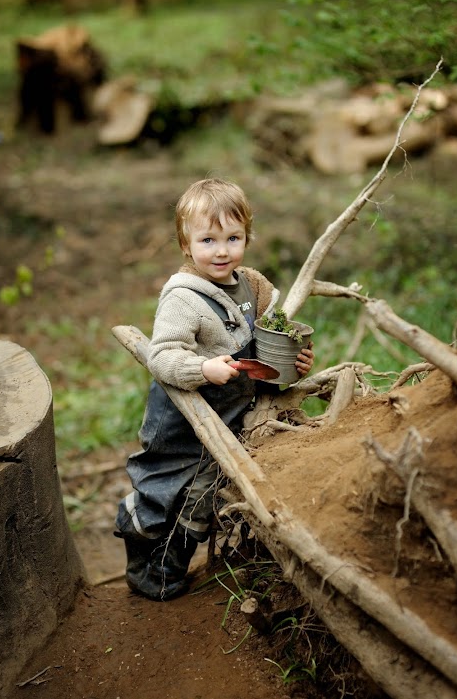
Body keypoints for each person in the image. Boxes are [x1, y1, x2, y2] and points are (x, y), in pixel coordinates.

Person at [115, 177, 315, 601]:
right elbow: (163, 356)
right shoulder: (184, 298)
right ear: (186, 245)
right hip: (180, 419)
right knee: (162, 493)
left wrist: (295, 361)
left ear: (247, 236)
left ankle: (168, 572)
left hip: (230, 414)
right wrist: (203, 367)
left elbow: (274, 339)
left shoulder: (255, 287)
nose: (221, 250)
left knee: (201, 500)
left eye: (233, 238)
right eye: (208, 239)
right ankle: (141, 562)